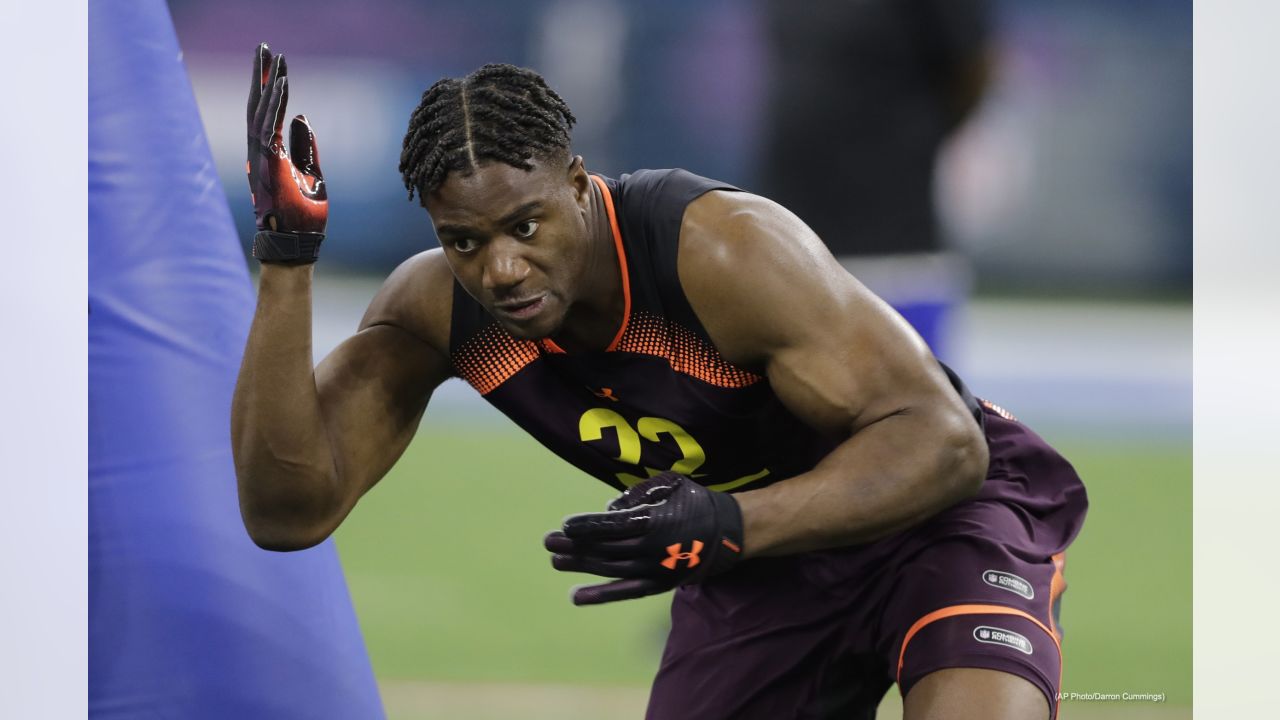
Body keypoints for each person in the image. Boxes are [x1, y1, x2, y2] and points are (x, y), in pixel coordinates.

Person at [232, 44, 1086, 720]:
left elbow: (942, 444)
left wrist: (730, 521)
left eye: (524, 226)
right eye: (464, 241)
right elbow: (286, 512)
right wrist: (285, 259)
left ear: (577, 186)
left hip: (928, 521)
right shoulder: (440, 312)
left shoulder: (722, 252)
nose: (499, 268)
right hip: (756, 558)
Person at [757, 0, 995, 360]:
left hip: (896, 253)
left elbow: (974, 67)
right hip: (793, 241)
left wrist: (906, 139)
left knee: (916, 405)